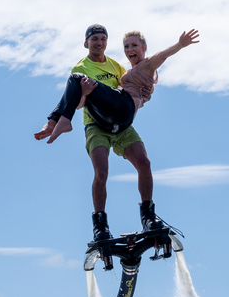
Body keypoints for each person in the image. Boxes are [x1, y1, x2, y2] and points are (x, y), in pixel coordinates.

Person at [35, 24, 200, 242]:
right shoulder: (82, 66)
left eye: (103, 39)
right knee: (101, 172)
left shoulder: (118, 67)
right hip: (96, 124)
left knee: (144, 162)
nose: (99, 43)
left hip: (122, 122)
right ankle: (100, 226)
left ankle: (148, 216)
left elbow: (144, 74)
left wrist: (148, 89)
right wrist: (85, 94)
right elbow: (77, 102)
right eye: (94, 39)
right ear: (87, 43)